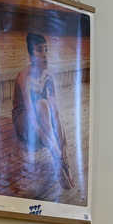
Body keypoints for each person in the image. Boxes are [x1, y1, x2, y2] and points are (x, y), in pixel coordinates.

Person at [12, 32, 74, 190]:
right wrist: (52, 145)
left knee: (48, 108)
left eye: (46, 49)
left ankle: (63, 162)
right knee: (41, 104)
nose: (44, 54)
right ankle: (57, 158)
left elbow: (55, 112)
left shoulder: (48, 77)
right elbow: (31, 114)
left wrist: (62, 147)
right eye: (39, 50)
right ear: (31, 55)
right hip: (24, 120)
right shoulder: (24, 76)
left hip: (42, 118)